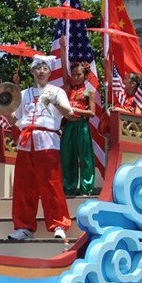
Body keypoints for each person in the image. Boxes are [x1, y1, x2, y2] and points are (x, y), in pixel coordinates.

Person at [6, 55, 74, 241]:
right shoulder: (25, 93)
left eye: (44, 68)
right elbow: (14, 118)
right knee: (23, 186)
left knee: (51, 184)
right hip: (26, 141)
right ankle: (24, 227)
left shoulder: (57, 91)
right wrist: (3, 105)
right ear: (32, 71)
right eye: (38, 68)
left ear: (50, 72)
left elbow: (69, 113)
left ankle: (59, 224)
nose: (41, 71)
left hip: (48, 140)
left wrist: (55, 102)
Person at [59, 37, 95, 196]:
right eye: (73, 74)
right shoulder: (69, 88)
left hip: (82, 126)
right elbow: (62, 70)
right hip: (69, 126)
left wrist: (75, 109)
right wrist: (62, 48)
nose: (75, 77)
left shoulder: (89, 91)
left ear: (85, 75)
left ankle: (87, 187)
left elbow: (92, 113)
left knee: (86, 158)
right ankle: (69, 187)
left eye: (78, 74)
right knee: (68, 157)